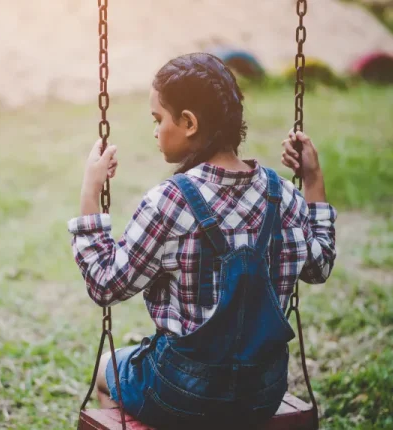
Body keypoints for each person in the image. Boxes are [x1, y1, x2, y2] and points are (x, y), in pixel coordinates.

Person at [67, 52, 337, 428]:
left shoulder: (170, 201)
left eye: (158, 119)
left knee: (105, 372)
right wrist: (312, 180)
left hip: (182, 393)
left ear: (189, 122)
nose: (156, 130)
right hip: (262, 392)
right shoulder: (284, 196)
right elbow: (320, 266)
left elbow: (105, 286)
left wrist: (90, 191)